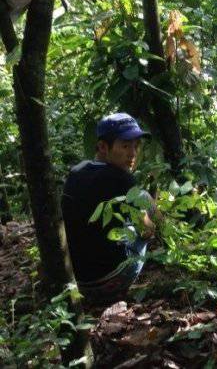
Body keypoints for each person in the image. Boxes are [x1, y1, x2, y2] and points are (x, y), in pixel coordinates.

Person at [62, 113, 156, 304]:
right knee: (144, 205)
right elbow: (147, 231)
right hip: (112, 280)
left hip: (78, 283)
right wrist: (153, 225)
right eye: (125, 146)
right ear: (103, 147)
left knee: (140, 197)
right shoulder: (122, 178)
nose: (133, 153)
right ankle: (175, 234)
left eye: (136, 145)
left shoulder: (77, 171)